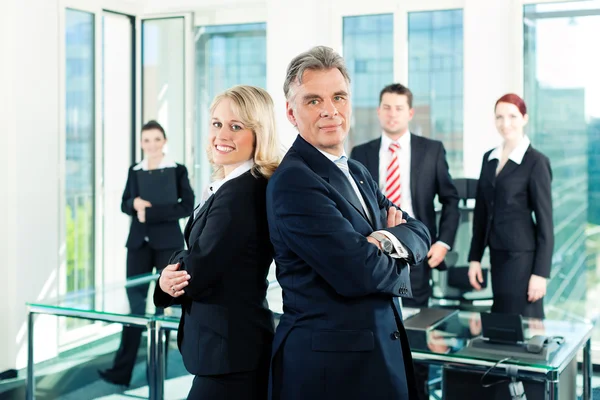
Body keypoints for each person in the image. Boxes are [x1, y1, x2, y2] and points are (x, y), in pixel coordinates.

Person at [266, 46, 431, 400]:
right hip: (330, 372)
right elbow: (359, 272)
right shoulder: (294, 180)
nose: (330, 111)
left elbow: (420, 232)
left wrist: (380, 240)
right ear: (291, 113)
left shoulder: (355, 169)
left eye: (338, 97)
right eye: (313, 101)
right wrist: (388, 243)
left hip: (374, 357)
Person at [153, 85, 281, 400]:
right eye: (216, 123)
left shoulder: (239, 195)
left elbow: (197, 270)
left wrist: (171, 272)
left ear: (258, 134)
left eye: (236, 126)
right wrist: (179, 265)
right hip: (234, 349)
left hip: (231, 355)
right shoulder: (235, 186)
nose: (221, 134)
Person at [350, 83, 460, 400]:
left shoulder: (432, 150)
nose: (392, 113)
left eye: (399, 108)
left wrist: (443, 243)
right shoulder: (362, 154)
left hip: (418, 256)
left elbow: (450, 200)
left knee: (415, 341)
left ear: (410, 113)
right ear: (378, 111)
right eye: (386, 107)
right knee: (378, 332)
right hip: (375, 257)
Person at [99, 120, 194, 386]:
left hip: (166, 245)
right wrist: (134, 203)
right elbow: (124, 204)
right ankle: (122, 370)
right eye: (146, 140)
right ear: (141, 143)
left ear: (164, 141)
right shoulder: (135, 170)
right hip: (139, 245)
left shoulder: (177, 170)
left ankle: (158, 369)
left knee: (161, 306)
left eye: (156, 139)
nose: (151, 145)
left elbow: (186, 206)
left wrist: (149, 211)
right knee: (134, 307)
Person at [468, 93, 553, 319]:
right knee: (502, 322)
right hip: (497, 256)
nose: (506, 124)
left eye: (513, 116)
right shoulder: (489, 158)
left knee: (524, 326)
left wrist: (540, 274)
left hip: (523, 259)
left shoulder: (536, 162)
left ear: (525, 118)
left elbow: (546, 223)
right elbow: (482, 213)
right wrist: (474, 258)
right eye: (499, 117)